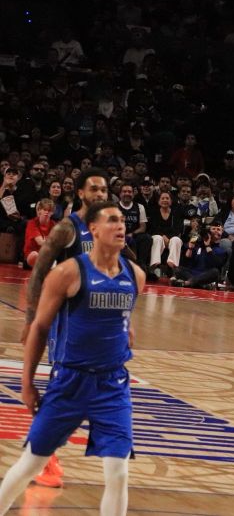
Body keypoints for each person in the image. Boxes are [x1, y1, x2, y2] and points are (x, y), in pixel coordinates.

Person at [0, 200, 142, 516]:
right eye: (112, 220)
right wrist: (27, 383)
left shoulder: (136, 275)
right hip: (69, 382)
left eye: (122, 220)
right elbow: (39, 329)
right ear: (93, 229)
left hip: (112, 385)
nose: (120, 226)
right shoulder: (67, 273)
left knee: (118, 472)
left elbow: (124, 320)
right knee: (30, 464)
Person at [18, 168, 110, 488]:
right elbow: (40, 271)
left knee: (90, 394)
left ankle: (43, 451)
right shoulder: (68, 228)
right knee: (61, 391)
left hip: (97, 328)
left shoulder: (108, 228)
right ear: (81, 194)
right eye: (94, 189)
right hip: (67, 323)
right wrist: (31, 320)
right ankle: (42, 457)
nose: (100, 194)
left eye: (104, 190)